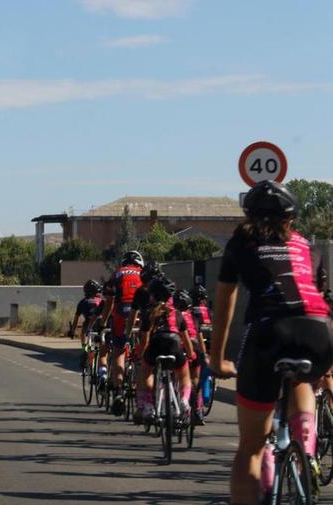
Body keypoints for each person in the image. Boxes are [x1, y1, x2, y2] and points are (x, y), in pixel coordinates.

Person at [210, 180, 333, 504]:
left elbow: (225, 300)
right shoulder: (310, 247)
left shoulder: (241, 242)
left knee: (250, 448)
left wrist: (217, 359)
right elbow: (318, 298)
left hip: (268, 331)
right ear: (291, 220)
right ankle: (305, 436)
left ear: (248, 216)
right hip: (319, 331)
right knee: (302, 375)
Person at [139, 276, 196, 422]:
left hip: (156, 345)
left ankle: (148, 406)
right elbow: (186, 339)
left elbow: (145, 338)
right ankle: (184, 400)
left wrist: (142, 354)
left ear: (152, 295)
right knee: (185, 377)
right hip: (174, 345)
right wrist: (191, 355)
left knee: (145, 372)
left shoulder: (149, 312)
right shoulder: (177, 313)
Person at [98, 250, 144, 417]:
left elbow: (109, 303)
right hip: (141, 315)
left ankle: (118, 391)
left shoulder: (116, 274)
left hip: (121, 314)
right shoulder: (143, 274)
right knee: (143, 350)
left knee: (118, 352)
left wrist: (103, 324)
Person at [127, 261, 163, 424]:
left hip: (148, 332)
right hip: (172, 332)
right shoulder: (167, 290)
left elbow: (133, 316)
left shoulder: (141, 292)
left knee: (144, 366)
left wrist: (128, 332)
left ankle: (143, 406)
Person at [174, 288, 209, 425]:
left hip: (178, 346)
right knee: (195, 380)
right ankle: (198, 410)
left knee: (178, 377)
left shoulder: (174, 315)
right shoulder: (193, 317)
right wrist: (204, 354)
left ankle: (176, 405)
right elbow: (200, 338)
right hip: (194, 347)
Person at [68, 279, 104, 368]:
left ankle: (84, 348)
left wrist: (72, 331)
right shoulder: (101, 301)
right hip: (100, 323)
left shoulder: (82, 302)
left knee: (85, 325)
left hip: (88, 324)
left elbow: (76, 320)